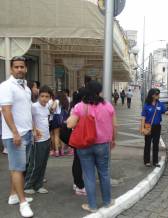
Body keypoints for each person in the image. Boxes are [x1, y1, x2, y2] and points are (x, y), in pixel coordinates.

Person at [67, 80, 117, 213]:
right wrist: (113, 140)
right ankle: (107, 202)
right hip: (103, 144)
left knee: (88, 175)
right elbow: (114, 126)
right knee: (104, 173)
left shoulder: (80, 106)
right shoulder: (108, 106)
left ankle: (92, 205)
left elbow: (70, 125)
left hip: (84, 145)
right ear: (99, 91)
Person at [0, 56, 34, 217]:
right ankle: (22, 203)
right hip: (15, 135)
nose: (19, 69)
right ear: (11, 69)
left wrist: (32, 128)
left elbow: (25, 111)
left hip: (26, 133)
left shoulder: (26, 87)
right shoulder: (6, 86)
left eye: (22, 67)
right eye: (16, 67)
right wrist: (14, 132)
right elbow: (6, 111)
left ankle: (14, 196)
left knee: (20, 167)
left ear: (26, 68)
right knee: (17, 168)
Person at [141, 88, 168, 167]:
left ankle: (155, 161)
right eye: (157, 94)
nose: (159, 96)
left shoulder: (160, 104)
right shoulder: (146, 105)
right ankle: (147, 161)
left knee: (156, 144)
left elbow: (165, 113)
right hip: (148, 126)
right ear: (152, 95)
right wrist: (142, 128)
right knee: (147, 144)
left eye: (158, 94)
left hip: (157, 127)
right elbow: (143, 118)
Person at [24, 85, 53, 195]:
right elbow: (27, 119)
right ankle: (28, 185)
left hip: (47, 139)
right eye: (42, 96)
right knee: (35, 164)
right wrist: (34, 130)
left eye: (47, 96)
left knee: (43, 163)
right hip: (37, 140)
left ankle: (38, 184)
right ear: (38, 96)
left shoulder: (47, 106)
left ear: (50, 97)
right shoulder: (33, 106)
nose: (44, 98)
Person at [70, 88, 87, 196]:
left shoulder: (75, 106)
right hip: (81, 136)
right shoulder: (81, 106)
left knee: (77, 160)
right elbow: (71, 123)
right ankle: (79, 185)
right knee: (79, 162)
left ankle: (77, 183)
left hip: (76, 136)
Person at [49, 91, 69, 156]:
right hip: (62, 120)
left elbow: (53, 108)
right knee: (61, 135)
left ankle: (56, 151)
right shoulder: (64, 102)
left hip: (55, 119)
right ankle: (62, 150)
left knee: (55, 135)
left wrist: (50, 110)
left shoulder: (56, 101)